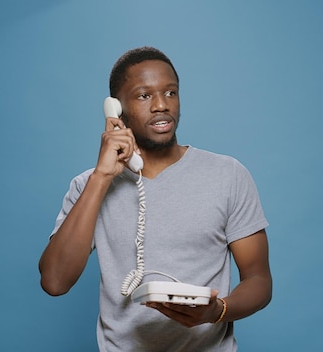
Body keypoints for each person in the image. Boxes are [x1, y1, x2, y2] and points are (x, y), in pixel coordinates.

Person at [39, 46, 272, 351]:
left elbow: (259, 280)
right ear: (116, 110)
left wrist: (217, 311)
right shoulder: (88, 185)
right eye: (144, 95)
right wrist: (102, 178)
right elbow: (55, 282)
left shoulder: (228, 174)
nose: (161, 105)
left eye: (170, 93)